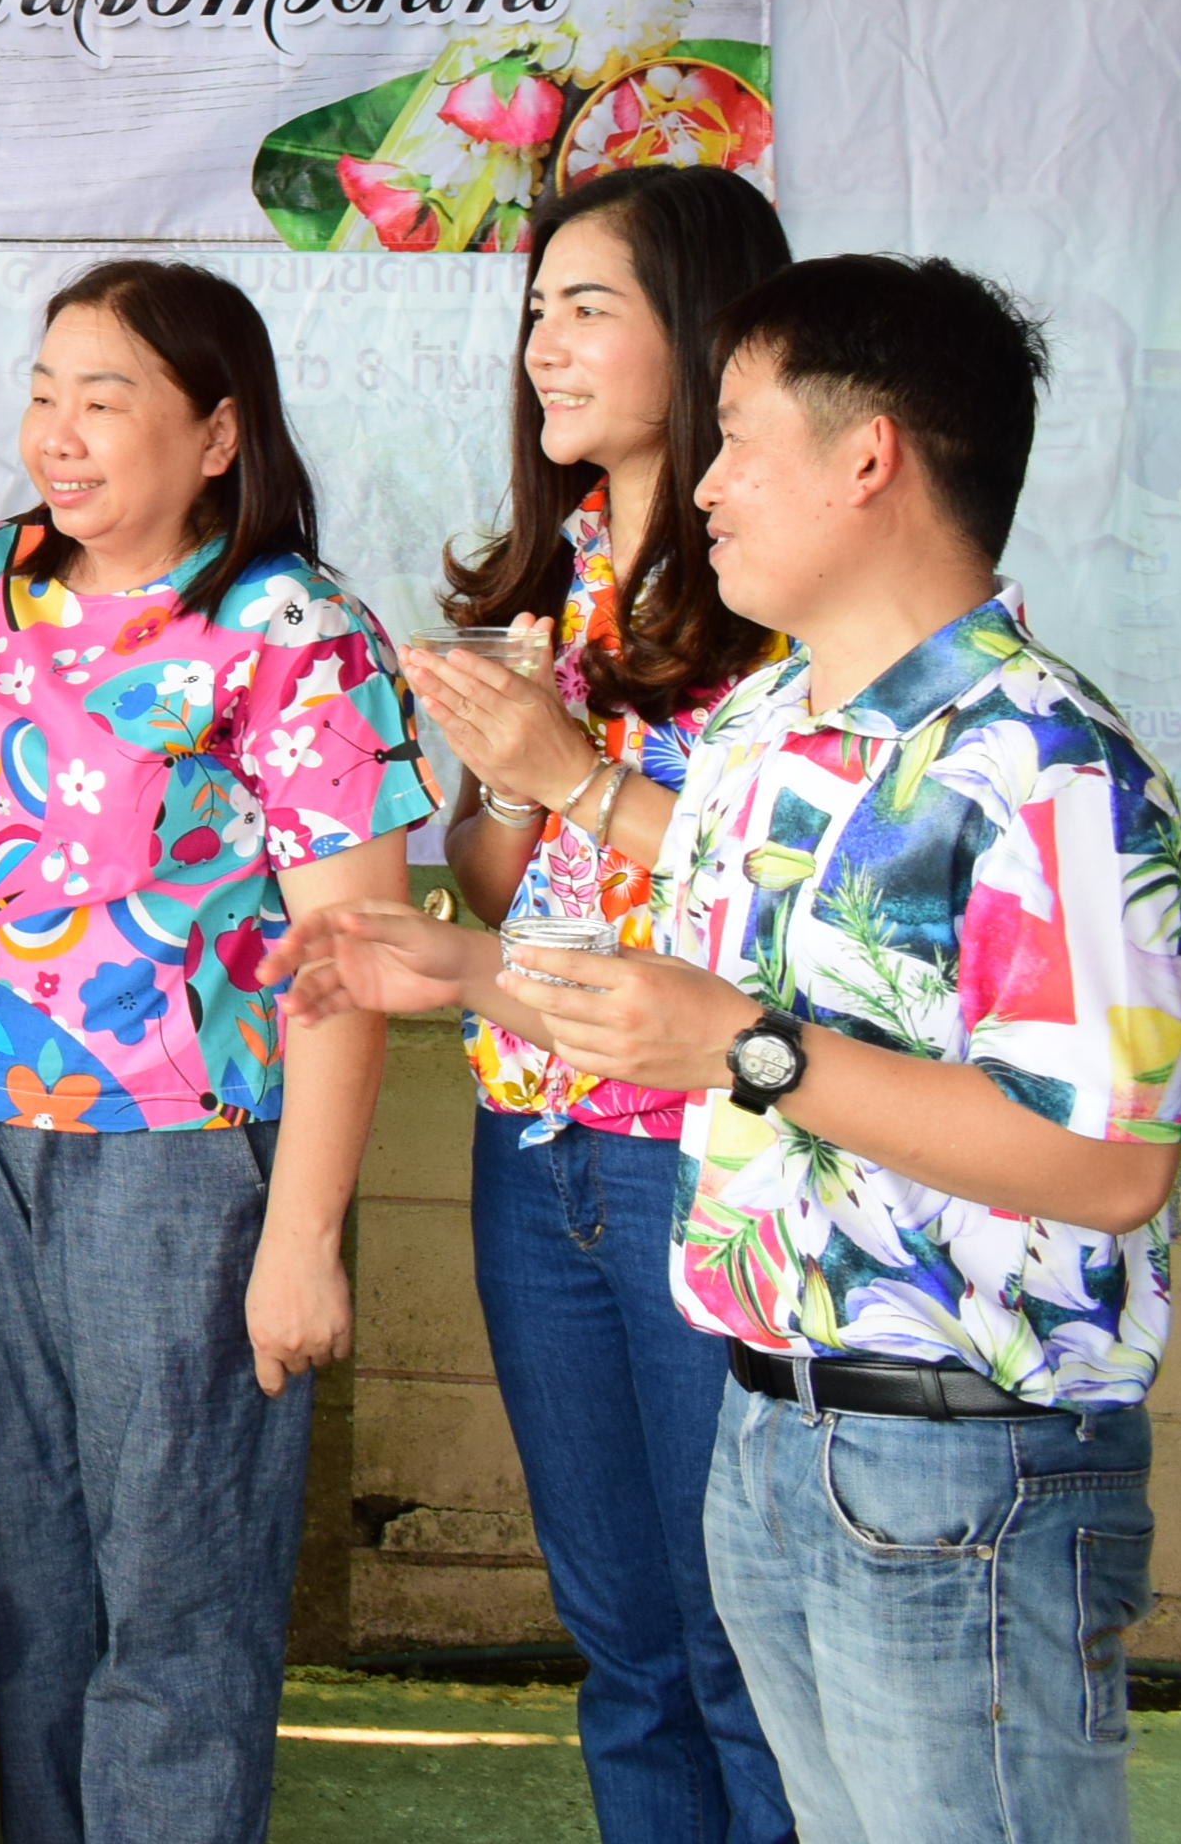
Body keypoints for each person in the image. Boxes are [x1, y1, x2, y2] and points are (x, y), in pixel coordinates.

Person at [270, 256, 1181, 1844]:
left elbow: (1106, 1164)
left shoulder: (1045, 769)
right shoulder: (774, 734)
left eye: (743, 439)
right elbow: (678, 971)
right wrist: (464, 965)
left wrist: (755, 1054)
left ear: (871, 456)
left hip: (962, 1466)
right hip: (769, 1421)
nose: (702, 486)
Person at [0, 260, 432, 1844]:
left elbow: (354, 959)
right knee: (29, 1602)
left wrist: (303, 1234)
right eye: (47, 392)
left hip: (183, 1155)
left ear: (217, 433)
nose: (59, 435)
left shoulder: (292, 628)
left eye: (107, 398)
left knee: (174, 1611)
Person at [415, 167, 797, 1844]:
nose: (544, 348)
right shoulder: (565, 564)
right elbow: (506, 888)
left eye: (589, 308)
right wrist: (494, 774)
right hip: (536, 1141)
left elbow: (800, 908)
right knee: (625, 1648)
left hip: (705, 1156)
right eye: (535, 312)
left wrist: (565, 774)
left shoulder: (786, 586)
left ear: (701, 331)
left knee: (739, 1656)